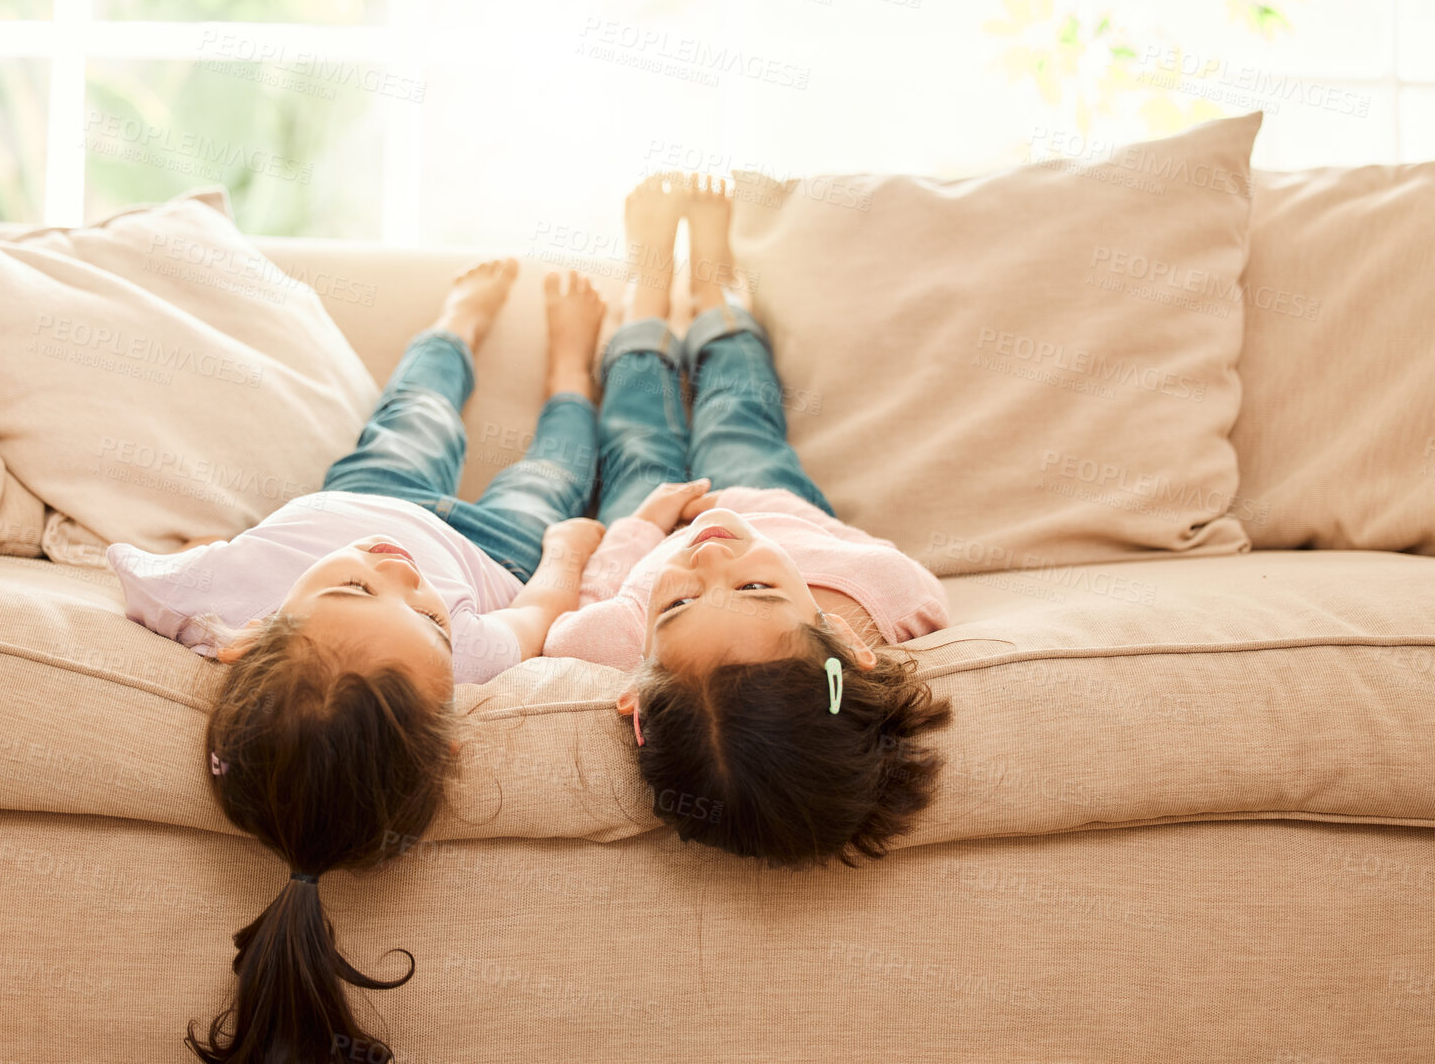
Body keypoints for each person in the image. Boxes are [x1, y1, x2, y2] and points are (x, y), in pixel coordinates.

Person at [104, 258, 608, 1064]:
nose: (402, 571)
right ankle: (571, 369)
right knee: (554, 476)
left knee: (414, 413)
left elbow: (139, 577)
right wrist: (566, 549)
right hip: (496, 549)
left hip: (369, 493)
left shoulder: (224, 600)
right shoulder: (471, 656)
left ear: (251, 635)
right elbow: (539, 616)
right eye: (426, 623)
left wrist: (202, 629)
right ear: (448, 726)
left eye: (351, 587)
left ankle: (458, 325)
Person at [544, 172, 956, 868]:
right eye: (759, 590)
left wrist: (644, 531)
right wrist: (771, 518)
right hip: (771, 498)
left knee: (636, 429)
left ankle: (646, 296)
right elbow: (897, 575)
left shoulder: (611, 642)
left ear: (635, 696)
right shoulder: (884, 594)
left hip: (650, 516)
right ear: (845, 649)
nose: (708, 564)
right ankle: (713, 292)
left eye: (674, 604)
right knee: (740, 404)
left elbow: (570, 623)